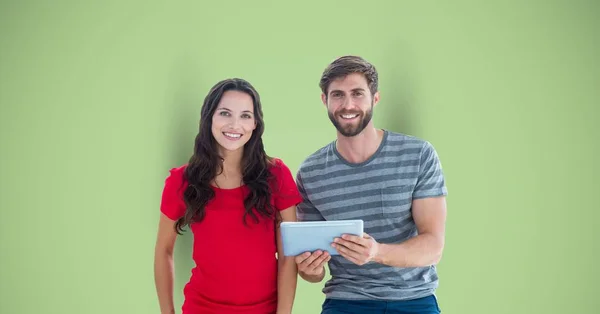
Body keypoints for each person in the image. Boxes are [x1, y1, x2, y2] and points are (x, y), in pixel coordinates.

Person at [294, 56, 448, 314]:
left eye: (357, 94)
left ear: (375, 98)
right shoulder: (311, 173)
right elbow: (313, 272)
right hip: (345, 302)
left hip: (414, 300)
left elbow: (433, 247)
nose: (348, 104)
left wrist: (376, 252)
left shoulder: (418, 155)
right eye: (338, 95)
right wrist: (310, 269)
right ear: (325, 100)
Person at [154, 78, 302, 314]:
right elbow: (164, 251)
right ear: (209, 118)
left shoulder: (276, 175)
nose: (235, 125)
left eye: (245, 115)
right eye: (225, 113)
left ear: (255, 123)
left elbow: (289, 254)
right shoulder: (181, 180)